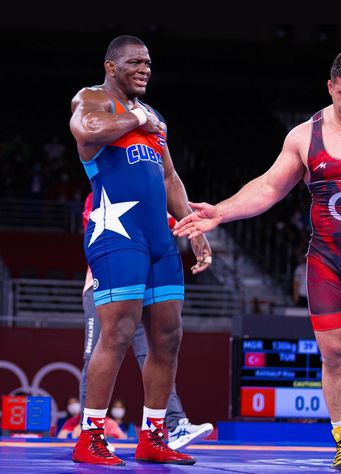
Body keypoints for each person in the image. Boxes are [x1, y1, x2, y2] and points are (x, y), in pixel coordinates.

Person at [174, 50, 341, 473]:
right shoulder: (305, 135)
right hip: (327, 262)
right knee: (334, 354)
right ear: (330, 87)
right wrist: (221, 212)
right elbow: (268, 187)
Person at [69, 34, 213, 466]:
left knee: (168, 335)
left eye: (148, 62)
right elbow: (85, 131)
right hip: (117, 235)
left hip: (159, 238)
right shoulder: (92, 98)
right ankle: (90, 436)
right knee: (115, 332)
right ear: (111, 67)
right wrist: (134, 123)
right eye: (135, 62)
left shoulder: (153, 116)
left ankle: (154, 434)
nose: (145, 69)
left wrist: (193, 224)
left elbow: (170, 179)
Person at [80, 192, 214, 449]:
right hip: (105, 289)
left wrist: (195, 228)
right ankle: (91, 434)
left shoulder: (152, 190)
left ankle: (172, 425)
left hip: (143, 287)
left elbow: (169, 217)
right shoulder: (100, 192)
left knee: (153, 353)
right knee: (97, 354)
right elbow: (104, 233)